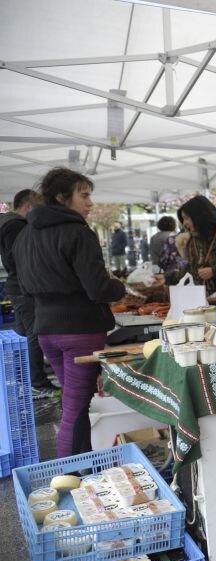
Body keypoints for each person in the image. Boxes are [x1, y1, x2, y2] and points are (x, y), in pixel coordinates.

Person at [12, 168, 126, 457]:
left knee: (73, 403)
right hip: (80, 332)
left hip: (46, 329)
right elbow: (98, 289)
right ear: (62, 198)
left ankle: (82, 467)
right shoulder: (77, 232)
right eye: (84, 196)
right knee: (74, 410)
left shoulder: (25, 235)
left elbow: (23, 286)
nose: (90, 203)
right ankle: (72, 474)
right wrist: (118, 287)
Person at [0, 189, 59, 397]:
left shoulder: (10, 224)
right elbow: (18, 259)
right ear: (28, 206)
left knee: (26, 332)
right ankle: (37, 382)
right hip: (23, 287)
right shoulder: (16, 226)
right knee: (35, 332)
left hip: (19, 285)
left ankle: (28, 379)